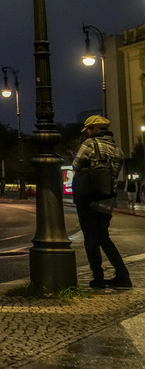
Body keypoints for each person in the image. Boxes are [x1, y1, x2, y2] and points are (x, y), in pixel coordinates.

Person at [72, 115, 131, 289]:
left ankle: (98, 278)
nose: (88, 133)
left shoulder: (90, 144)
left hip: (89, 198)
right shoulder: (117, 149)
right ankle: (123, 276)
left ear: (94, 129)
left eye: (89, 130)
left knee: (90, 238)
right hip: (108, 199)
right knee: (103, 237)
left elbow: (76, 165)